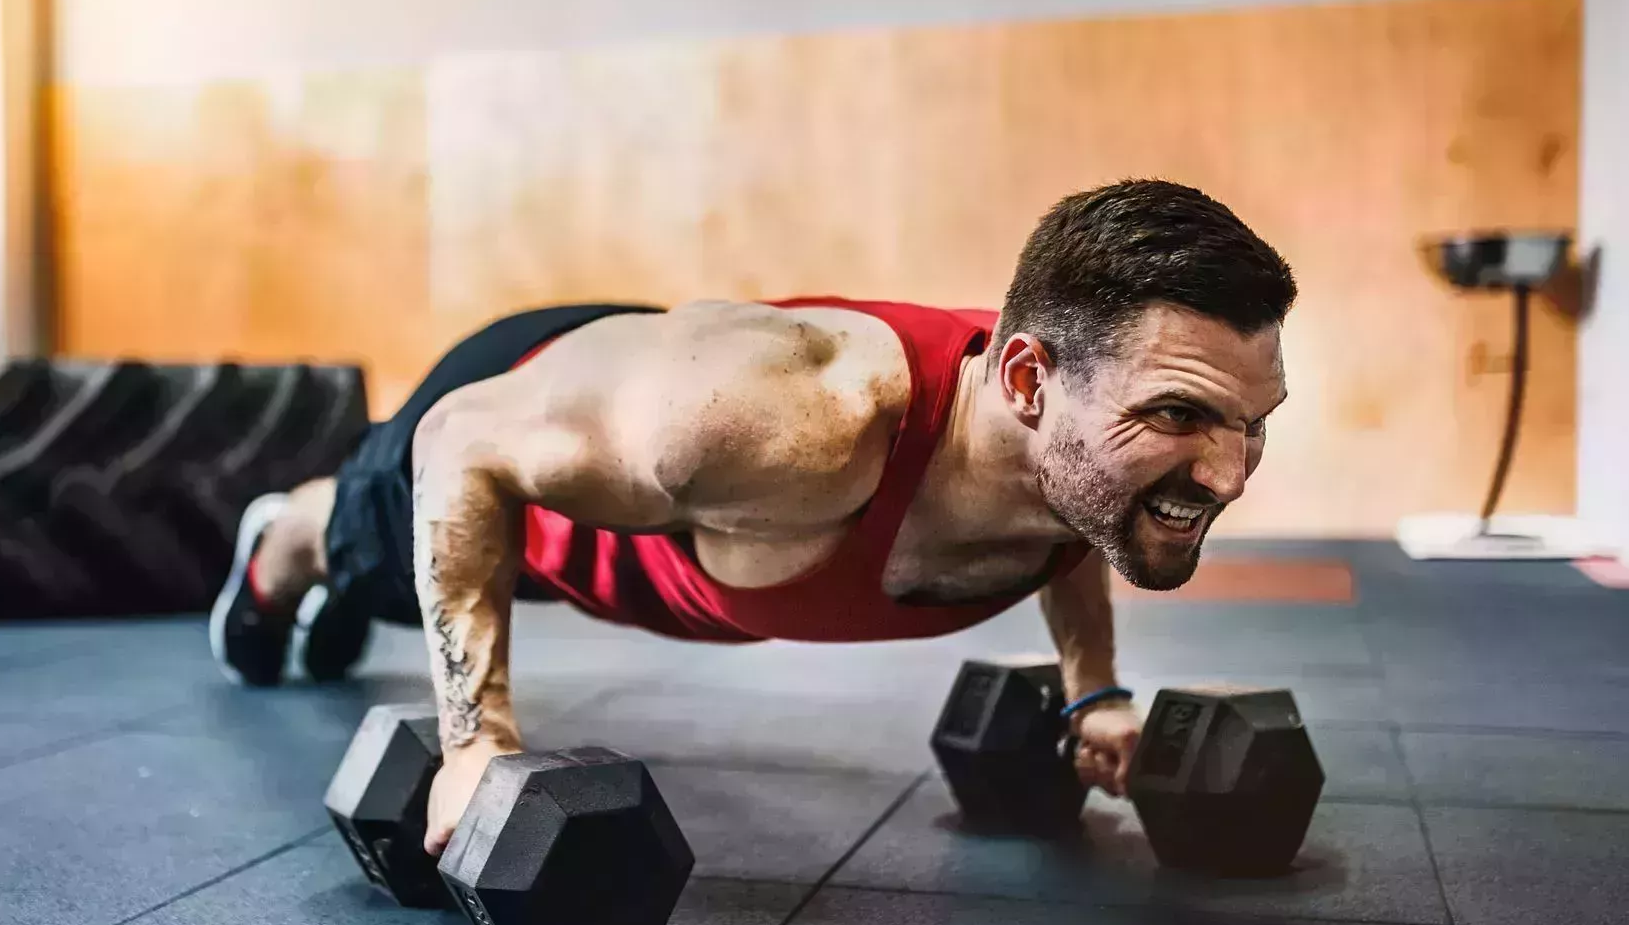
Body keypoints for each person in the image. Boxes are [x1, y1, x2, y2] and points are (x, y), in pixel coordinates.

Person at [211, 179, 1295, 854]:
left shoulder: (1074, 447)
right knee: (354, 549)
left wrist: (1092, 690)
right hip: (525, 425)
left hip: (675, 491)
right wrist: (473, 744)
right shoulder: (793, 424)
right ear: (1025, 382)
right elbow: (463, 444)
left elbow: (1074, 523)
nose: (1231, 473)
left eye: (1254, 423)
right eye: (1181, 416)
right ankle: (278, 549)